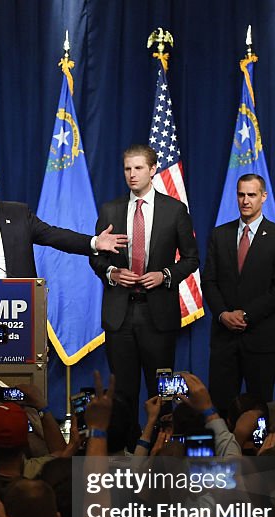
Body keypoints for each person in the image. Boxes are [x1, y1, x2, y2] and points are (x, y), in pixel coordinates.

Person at [90, 144, 199, 418]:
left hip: (158, 313)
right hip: (120, 314)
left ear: (152, 170)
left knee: (161, 390)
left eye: (138, 168)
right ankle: (127, 448)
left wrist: (165, 275)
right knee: (123, 391)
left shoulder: (174, 210)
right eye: (127, 168)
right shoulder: (110, 210)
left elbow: (191, 258)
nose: (132, 174)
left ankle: (160, 449)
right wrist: (112, 274)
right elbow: (96, 258)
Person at [202, 174, 275, 412]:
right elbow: (209, 281)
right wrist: (223, 314)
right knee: (221, 409)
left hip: (261, 339)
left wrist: (246, 315)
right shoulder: (219, 235)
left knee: (258, 410)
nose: (245, 200)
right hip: (224, 340)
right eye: (241, 194)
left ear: (263, 197)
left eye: (251, 195)